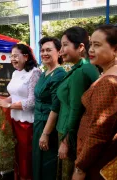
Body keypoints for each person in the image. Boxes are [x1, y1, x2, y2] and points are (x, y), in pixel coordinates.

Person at [72, 25, 117, 180]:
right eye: (90, 44)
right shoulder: (110, 73)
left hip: (98, 161)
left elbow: (98, 132)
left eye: (97, 45)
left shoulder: (110, 82)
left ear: (116, 49)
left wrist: (80, 167)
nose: (91, 50)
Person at [55, 27, 100, 180]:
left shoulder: (81, 71)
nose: (61, 50)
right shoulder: (83, 68)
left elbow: (76, 109)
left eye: (65, 45)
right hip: (72, 131)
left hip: (71, 134)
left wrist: (66, 142)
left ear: (81, 47)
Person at [0, 44, 41, 180]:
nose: (12, 59)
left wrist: (8, 105)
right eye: (11, 56)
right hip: (14, 119)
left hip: (27, 123)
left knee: (26, 156)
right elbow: (15, 95)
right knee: (16, 154)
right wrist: (3, 100)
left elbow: (32, 102)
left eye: (16, 56)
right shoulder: (15, 73)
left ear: (26, 57)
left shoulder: (35, 73)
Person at [33, 37, 66, 180]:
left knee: (47, 164)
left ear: (59, 52)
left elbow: (56, 107)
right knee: (37, 161)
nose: (44, 53)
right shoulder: (44, 72)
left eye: (48, 50)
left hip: (49, 126)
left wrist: (46, 134)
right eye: (42, 50)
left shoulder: (59, 74)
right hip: (38, 123)